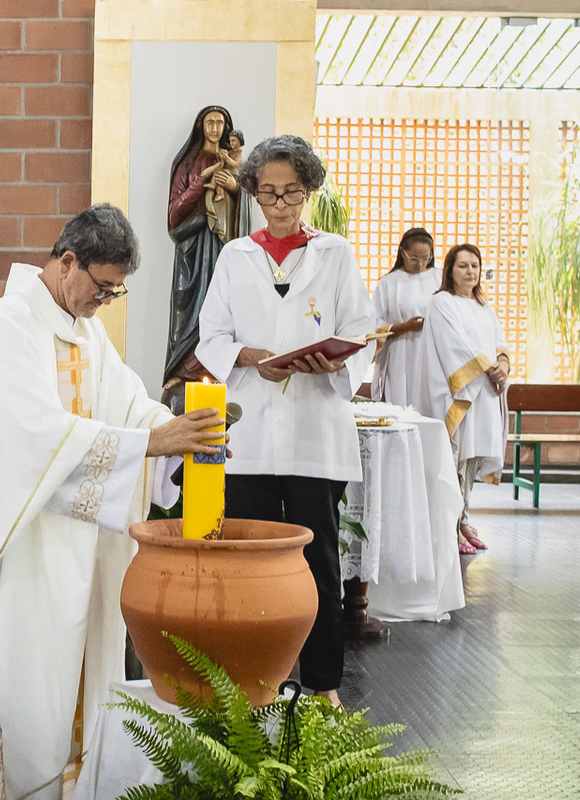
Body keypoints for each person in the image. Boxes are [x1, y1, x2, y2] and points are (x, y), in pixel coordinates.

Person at [0, 204, 226, 800]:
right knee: (25, 683)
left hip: (77, 544)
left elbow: (125, 404)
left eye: (115, 294)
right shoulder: (7, 325)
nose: (104, 303)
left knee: (71, 681)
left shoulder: (86, 329)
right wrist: (149, 444)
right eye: (102, 288)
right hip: (21, 548)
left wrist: (177, 429)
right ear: (66, 261)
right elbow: (30, 436)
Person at [195, 135, 375, 709]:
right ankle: (251, 681)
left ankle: (323, 683)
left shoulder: (336, 254)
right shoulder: (234, 257)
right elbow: (212, 337)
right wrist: (252, 358)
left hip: (313, 434)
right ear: (252, 193)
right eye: (268, 192)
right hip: (247, 439)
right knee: (248, 564)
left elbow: (362, 333)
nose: (279, 204)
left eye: (291, 192)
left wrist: (331, 359)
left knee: (317, 563)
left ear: (310, 190)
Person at [411, 243, 510, 555]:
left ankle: (464, 518)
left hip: (482, 395)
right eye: (463, 265)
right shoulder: (442, 302)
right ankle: (449, 526)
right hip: (458, 394)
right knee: (454, 460)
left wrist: (503, 365)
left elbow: (500, 343)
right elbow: (456, 346)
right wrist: (488, 368)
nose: (470, 271)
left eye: (475, 265)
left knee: (471, 460)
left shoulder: (484, 307)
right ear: (450, 270)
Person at [164, 106, 252, 392]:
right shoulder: (187, 163)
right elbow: (174, 214)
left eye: (220, 123)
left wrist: (236, 189)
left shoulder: (233, 161)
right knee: (190, 307)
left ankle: (214, 367)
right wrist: (200, 187)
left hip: (222, 248)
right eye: (209, 122)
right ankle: (182, 369)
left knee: (221, 305)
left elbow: (246, 209)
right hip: (192, 248)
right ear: (200, 126)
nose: (214, 128)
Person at [371, 227, 440, 406]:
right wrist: (404, 327)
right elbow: (374, 322)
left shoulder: (439, 279)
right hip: (399, 353)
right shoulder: (388, 283)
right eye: (414, 258)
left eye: (426, 259)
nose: (420, 264)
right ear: (403, 252)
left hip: (432, 352)